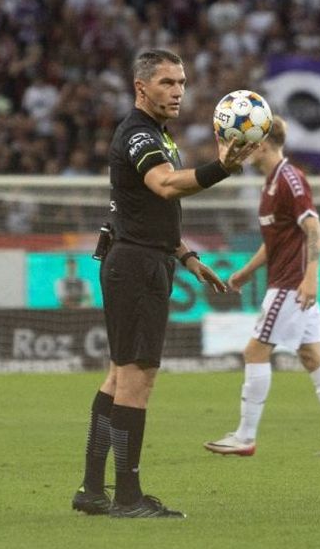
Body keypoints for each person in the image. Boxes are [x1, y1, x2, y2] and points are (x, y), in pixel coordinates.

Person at [71, 48, 258, 519]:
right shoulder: (138, 135)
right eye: (168, 83)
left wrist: (188, 257)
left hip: (138, 258)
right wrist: (222, 168)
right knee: (138, 379)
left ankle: (93, 490)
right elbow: (166, 186)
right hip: (135, 267)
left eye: (181, 83)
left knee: (118, 377)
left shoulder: (157, 134)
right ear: (142, 88)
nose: (178, 91)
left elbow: (149, 211)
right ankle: (128, 497)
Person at [203, 116, 320, 457]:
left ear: (261, 144)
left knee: (255, 351)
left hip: (291, 284)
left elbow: (314, 229)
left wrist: (311, 276)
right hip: (289, 281)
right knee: (311, 353)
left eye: (247, 144)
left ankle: (245, 437)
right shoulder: (271, 182)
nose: (243, 151)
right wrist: (246, 271)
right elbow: (275, 240)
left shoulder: (290, 179)